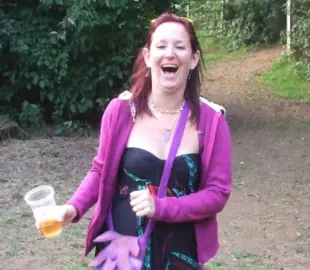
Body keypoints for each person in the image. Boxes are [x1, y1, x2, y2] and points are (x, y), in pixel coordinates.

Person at [42, 12, 232, 269]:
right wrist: (73, 208)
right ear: (147, 56)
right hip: (122, 254)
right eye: (161, 45)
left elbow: (217, 194)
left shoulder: (212, 121)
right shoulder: (120, 111)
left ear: (194, 58)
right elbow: (100, 169)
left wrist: (162, 207)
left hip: (178, 256)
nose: (170, 53)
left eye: (180, 46)